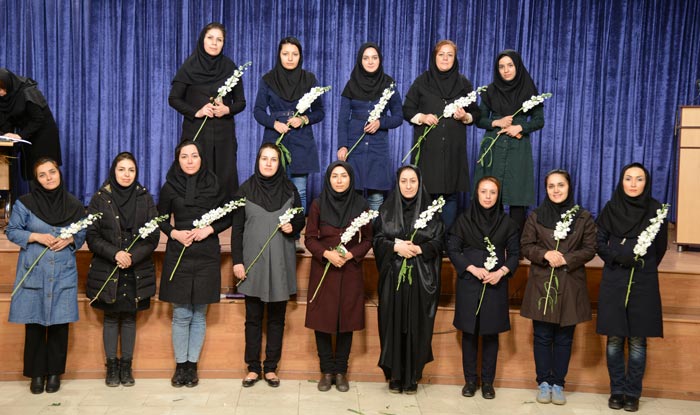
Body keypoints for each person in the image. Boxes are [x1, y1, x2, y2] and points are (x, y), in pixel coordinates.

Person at [6, 157, 86, 394]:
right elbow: (12, 231)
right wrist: (35, 236)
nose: (49, 178)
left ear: (59, 173)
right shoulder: (25, 203)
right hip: (34, 271)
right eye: (42, 175)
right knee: (35, 325)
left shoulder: (73, 204)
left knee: (60, 326)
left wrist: (70, 240)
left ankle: (54, 374)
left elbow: (82, 234)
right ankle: (36, 374)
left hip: (63, 272)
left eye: (52, 172)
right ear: (36, 179)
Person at [519, 169, 597, 405]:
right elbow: (526, 245)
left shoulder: (583, 217)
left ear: (569, 187)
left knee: (564, 338)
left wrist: (566, 259)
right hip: (542, 283)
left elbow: (590, 248)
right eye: (551, 186)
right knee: (542, 336)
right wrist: (545, 254)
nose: (556, 190)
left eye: (560, 185)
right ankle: (543, 383)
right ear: (546, 189)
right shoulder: (536, 216)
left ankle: (559, 384)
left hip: (570, 283)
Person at [596, 163, 667, 412]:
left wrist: (643, 266)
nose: (633, 184)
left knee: (638, 340)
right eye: (628, 178)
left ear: (646, 183)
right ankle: (617, 390)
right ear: (621, 181)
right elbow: (599, 242)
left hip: (643, 280)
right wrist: (617, 258)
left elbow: (660, 248)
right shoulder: (611, 207)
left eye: (639, 179)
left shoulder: (656, 209)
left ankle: (633, 393)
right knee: (615, 339)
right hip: (615, 278)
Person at [232, 143, 304, 388]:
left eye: (273, 159)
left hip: (280, 263)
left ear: (279, 163)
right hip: (253, 263)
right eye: (265, 158)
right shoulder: (244, 190)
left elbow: (300, 219)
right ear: (257, 161)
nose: (269, 163)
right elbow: (237, 230)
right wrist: (238, 262)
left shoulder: (290, 189)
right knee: (253, 318)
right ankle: (253, 368)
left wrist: (292, 227)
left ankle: (271, 368)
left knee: (276, 318)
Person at [158, 140, 229, 388]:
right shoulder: (170, 186)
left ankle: (192, 366)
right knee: (181, 314)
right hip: (179, 251)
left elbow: (228, 216)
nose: (189, 161)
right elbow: (160, 219)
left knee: (199, 313)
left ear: (201, 158)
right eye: (184, 156)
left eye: (194, 156)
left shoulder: (214, 184)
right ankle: (180, 366)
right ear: (177, 160)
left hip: (206, 252)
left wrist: (209, 229)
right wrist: (174, 233)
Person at [85, 152, 160, 387]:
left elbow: (153, 236)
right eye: (121, 169)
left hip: (135, 268)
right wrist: (115, 254)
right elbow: (92, 236)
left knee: (129, 317)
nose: (126, 174)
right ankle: (111, 367)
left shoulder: (145, 198)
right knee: (110, 318)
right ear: (113, 171)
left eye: (131, 170)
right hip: (109, 266)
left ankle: (126, 367)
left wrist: (132, 257)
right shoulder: (100, 198)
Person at [372, 165, 444, 394]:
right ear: (398, 183)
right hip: (393, 278)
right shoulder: (386, 210)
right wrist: (396, 247)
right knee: (392, 324)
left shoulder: (431, 212)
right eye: (404, 181)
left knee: (416, 326)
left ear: (420, 183)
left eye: (413, 181)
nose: (409, 185)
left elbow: (439, 241)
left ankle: (412, 375)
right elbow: (377, 240)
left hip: (420, 277)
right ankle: (394, 375)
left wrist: (420, 249)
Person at [446, 176, 519, 399]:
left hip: (495, 285)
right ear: (476, 194)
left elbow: (514, 254)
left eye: (492, 192)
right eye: (483, 191)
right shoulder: (463, 220)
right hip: (469, 283)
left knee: (490, 334)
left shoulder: (507, 223)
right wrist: (471, 268)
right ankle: (470, 381)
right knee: (469, 334)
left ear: (498, 196)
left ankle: (488, 383)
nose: (488, 196)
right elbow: (453, 249)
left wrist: (501, 272)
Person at [304, 161, 372, 392]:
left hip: (350, 270)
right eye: (335, 176)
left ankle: (341, 372)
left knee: (347, 321)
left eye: (344, 175)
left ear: (351, 179)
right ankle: (326, 371)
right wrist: (327, 254)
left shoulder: (361, 205)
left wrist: (351, 254)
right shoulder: (318, 204)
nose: (340, 180)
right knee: (322, 321)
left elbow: (368, 239)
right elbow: (309, 239)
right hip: (324, 269)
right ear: (328, 179)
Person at [402, 40, 479, 230]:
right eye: (441, 54)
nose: (445, 58)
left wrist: (465, 116)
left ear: (455, 58)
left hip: (453, 149)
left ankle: (445, 240)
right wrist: (422, 117)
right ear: (434, 57)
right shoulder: (422, 81)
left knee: (449, 196)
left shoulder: (463, 84)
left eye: (449, 55)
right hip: (428, 149)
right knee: (425, 194)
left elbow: (476, 113)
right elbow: (407, 109)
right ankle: (426, 238)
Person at [169, 22, 246, 201]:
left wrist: (227, 109)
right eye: (210, 38)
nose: (214, 43)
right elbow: (173, 99)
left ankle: (225, 216)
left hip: (223, 135)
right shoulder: (189, 66)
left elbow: (241, 103)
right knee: (196, 176)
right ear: (202, 40)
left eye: (219, 40)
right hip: (197, 132)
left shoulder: (230, 67)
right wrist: (197, 112)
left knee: (224, 178)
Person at [473, 50, 544, 235]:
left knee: (516, 197)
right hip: (494, 146)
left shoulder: (529, 90)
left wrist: (520, 127)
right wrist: (497, 122)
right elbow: (479, 120)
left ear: (517, 66)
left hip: (518, 147)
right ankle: (490, 241)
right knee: (491, 195)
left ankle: (514, 244)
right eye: (501, 67)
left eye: (510, 65)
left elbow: (539, 120)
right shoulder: (490, 91)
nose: (506, 70)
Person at [253, 36, 324, 215]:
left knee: (299, 191)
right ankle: (275, 230)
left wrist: (304, 119)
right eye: (285, 54)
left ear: (301, 56)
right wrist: (274, 124)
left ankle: (296, 230)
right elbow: (258, 111)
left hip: (301, 140)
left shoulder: (309, 79)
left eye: (295, 54)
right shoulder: (268, 79)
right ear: (279, 55)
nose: (290, 58)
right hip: (275, 138)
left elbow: (319, 112)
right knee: (274, 190)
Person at [336, 42, 403, 211]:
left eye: (374, 58)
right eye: (366, 58)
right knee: (353, 196)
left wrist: (381, 123)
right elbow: (343, 119)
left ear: (380, 60)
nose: (370, 61)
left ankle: (374, 229)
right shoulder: (351, 84)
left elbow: (398, 117)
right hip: (354, 145)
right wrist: (342, 145)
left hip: (378, 148)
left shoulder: (389, 84)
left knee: (376, 197)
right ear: (360, 60)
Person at [0, 68, 62, 182]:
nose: (1, 93)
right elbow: (6, 119)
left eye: (2, 89)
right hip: (27, 135)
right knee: (31, 172)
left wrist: (20, 135)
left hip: (43, 135)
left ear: (8, 84)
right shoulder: (5, 98)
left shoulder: (27, 91)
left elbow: (38, 119)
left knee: (43, 170)